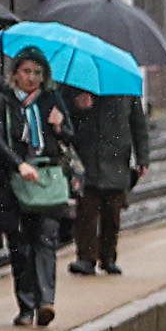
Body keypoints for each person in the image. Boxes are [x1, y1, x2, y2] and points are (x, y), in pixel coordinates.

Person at [0, 47, 77, 328]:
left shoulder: (52, 100)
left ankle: (46, 301)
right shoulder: (4, 102)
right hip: (15, 182)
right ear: (15, 74)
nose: (32, 78)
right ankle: (26, 305)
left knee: (45, 239)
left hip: (47, 178)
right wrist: (18, 164)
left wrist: (59, 127)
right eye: (27, 72)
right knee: (20, 245)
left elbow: (69, 136)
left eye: (37, 73)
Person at [67, 75, 150, 278]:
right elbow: (66, 120)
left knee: (112, 213)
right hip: (88, 157)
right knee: (86, 211)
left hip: (116, 159)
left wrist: (143, 157)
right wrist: (78, 107)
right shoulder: (80, 84)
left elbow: (138, 124)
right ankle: (86, 258)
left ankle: (108, 257)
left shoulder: (127, 89)